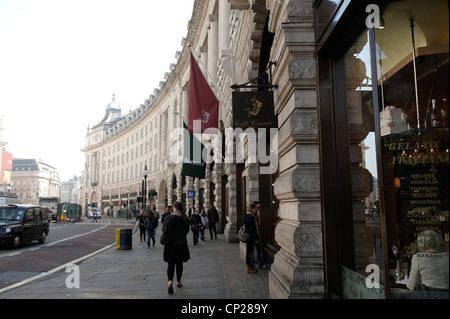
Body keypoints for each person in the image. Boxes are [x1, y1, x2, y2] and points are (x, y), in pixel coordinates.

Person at [163, 201, 190, 294]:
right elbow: (187, 230)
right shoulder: (184, 218)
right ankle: (178, 282)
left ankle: (170, 282)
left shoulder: (169, 218)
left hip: (170, 244)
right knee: (179, 264)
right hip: (181, 244)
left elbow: (164, 230)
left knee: (170, 264)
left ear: (174, 208)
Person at [251, 201, 266, 270]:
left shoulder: (255, 215)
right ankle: (252, 265)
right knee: (252, 251)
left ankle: (261, 264)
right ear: (254, 207)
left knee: (259, 250)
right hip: (252, 236)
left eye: (259, 207)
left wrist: (259, 230)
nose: (258, 209)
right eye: (258, 207)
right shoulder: (250, 215)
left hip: (257, 235)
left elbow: (257, 225)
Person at [243, 202, 258, 274]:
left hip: (248, 236)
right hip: (250, 237)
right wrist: (256, 238)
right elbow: (252, 229)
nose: (256, 210)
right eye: (255, 209)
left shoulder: (247, 215)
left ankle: (250, 267)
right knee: (249, 253)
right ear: (252, 209)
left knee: (249, 252)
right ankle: (248, 268)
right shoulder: (251, 216)